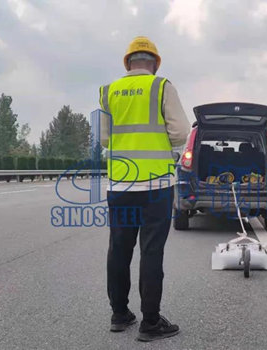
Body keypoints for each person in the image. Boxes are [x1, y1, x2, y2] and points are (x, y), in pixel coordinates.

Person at [99, 36, 190, 342]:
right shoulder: (161, 86)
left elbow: (104, 139)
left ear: (128, 63)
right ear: (154, 63)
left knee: (119, 249)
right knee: (151, 251)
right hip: (156, 184)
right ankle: (150, 322)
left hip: (120, 184)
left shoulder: (108, 91)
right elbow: (180, 133)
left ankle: (119, 314)